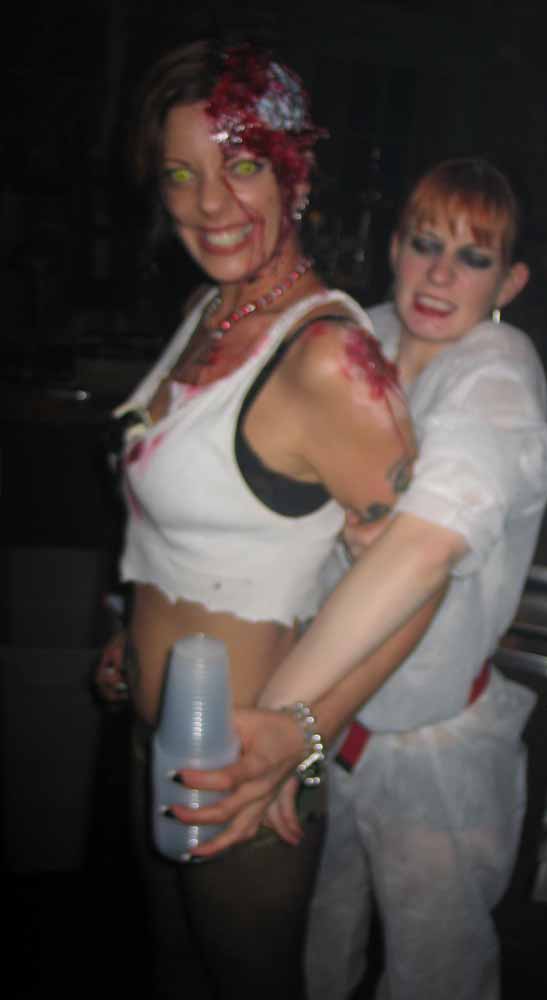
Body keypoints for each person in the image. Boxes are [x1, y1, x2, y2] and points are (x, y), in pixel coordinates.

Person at [179, 158, 547, 1000]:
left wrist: (278, 723)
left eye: (473, 258)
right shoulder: (360, 337)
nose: (440, 274)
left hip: (427, 746)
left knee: (436, 976)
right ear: (394, 247)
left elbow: (423, 549)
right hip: (331, 726)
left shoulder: (497, 372)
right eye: (426, 244)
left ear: (510, 282)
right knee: (315, 953)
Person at [94, 37, 419, 999]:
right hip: (156, 739)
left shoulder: (328, 360)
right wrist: (134, 630)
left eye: (241, 166)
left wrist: (303, 739)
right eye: (180, 175)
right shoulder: (210, 309)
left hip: (248, 768)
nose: (209, 204)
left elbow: (416, 587)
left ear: (294, 173)